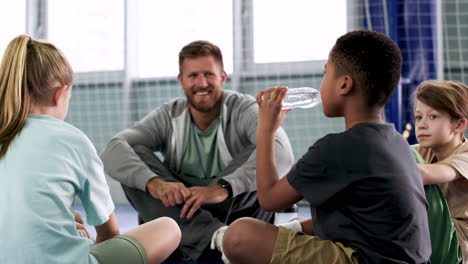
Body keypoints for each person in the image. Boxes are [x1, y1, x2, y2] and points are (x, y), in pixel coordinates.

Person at [222, 30, 431, 264]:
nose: (321, 84)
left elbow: (269, 199)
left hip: (366, 260)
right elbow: (351, 222)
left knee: (239, 236)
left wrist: (266, 130)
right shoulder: (396, 142)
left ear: (344, 84)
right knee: (301, 225)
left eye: (325, 73)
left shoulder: (337, 148)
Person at [100, 40, 294, 261]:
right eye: (193, 76)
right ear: (181, 81)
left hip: (230, 206)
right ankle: (218, 236)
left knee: (262, 147)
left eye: (209, 75)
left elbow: (282, 152)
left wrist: (223, 188)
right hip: (184, 204)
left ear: (222, 77)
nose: (202, 83)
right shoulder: (168, 115)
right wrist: (155, 184)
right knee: (131, 156)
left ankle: (199, 234)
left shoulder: (243, 108)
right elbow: (113, 149)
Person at [0, 35, 181, 264]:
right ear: (59, 94)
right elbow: (109, 234)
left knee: (72, 217)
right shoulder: (74, 141)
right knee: (168, 227)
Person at [412, 80, 468, 263]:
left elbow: (427, 174)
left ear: (459, 125)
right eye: (418, 117)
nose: (422, 124)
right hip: (429, 235)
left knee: (404, 159)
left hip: (457, 246)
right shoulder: (423, 151)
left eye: (433, 117)